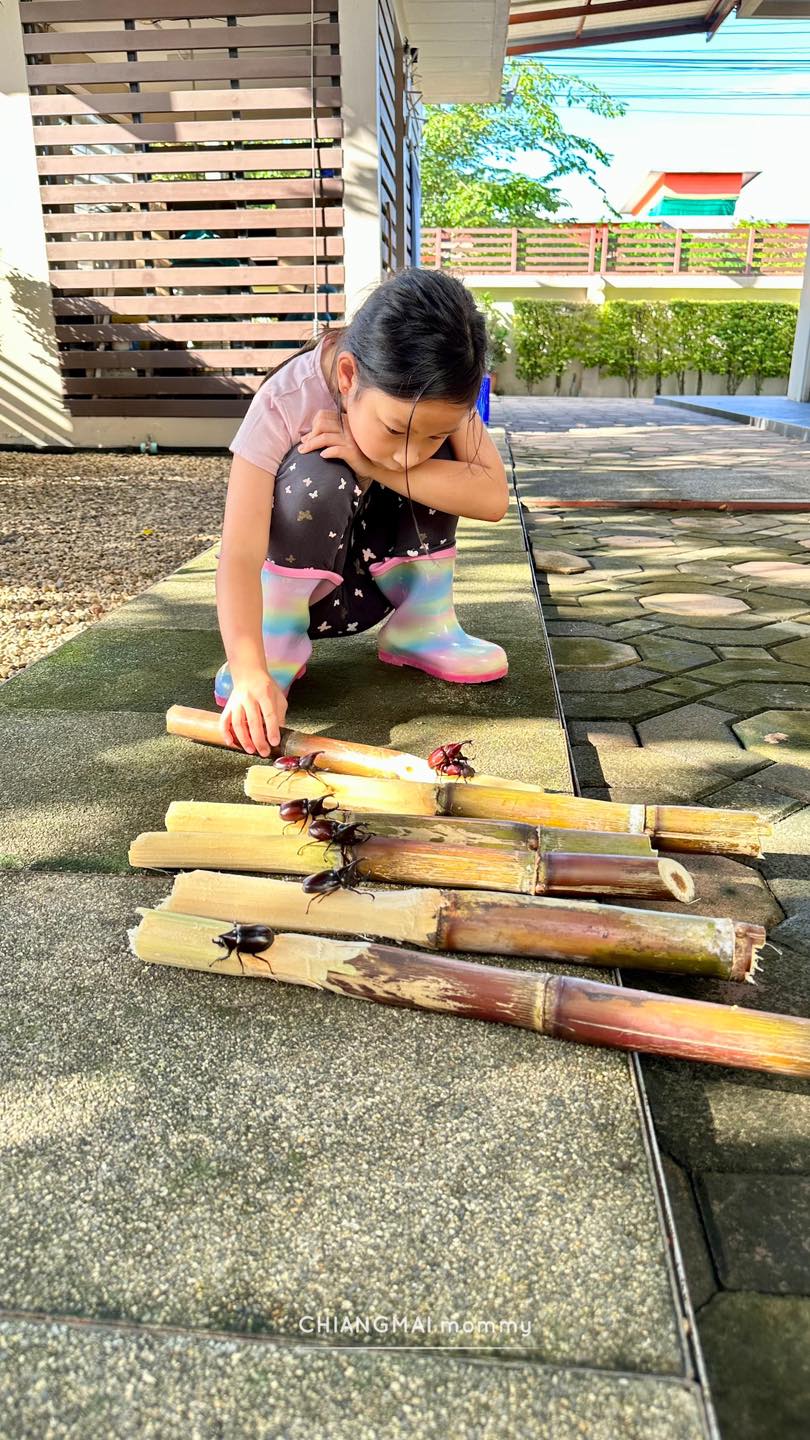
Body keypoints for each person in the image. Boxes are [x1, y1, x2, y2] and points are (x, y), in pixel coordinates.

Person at [214, 266, 510, 758]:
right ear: (348, 375)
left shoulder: (438, 388)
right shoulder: (286, 400)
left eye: (434, 433)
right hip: (304, 597)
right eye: (395, 429)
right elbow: (239, 554)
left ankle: (422, 626)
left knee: (442, 467)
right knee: (318, 469)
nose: (410, 452)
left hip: (382, 582)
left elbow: (493, 497)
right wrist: (248, 672)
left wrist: (372, 461)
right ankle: (275, 646)